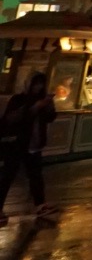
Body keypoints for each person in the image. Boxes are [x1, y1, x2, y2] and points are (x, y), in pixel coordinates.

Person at [0, 73, 57, 225]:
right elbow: (10, 119)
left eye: (41, 84)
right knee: (8, 176)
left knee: (36, 175)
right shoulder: (19, 99)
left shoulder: (42, 100)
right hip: (17, 144)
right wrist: (35, 107)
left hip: (34, 144)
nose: (38, 87)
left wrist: (48, 105)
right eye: (36, 84)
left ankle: (40, 204)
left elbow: (50, 117)